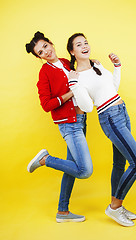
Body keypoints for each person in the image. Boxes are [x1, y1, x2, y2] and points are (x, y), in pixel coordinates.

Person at [66, 33, 136, 227]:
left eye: (85, 42)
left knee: (120, 164)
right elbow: (86, 107)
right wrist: (74, 84)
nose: (84, 46)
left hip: (121, 111)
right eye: (79, 44)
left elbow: (113, 87)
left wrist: (117, 67)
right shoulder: (77, 76)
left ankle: (117, 206)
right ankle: (114, 207)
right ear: (72, 52)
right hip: (110, 117)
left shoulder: (97, 65)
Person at [25, 31, 94, 223]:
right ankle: (45, 159)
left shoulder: (65, 62)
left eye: (45, 46)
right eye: (40, 52)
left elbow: (82, 76)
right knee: (84, 170)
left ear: (50, 43)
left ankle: (62, 212)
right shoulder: (45, 72)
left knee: (72, 168)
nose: (45, 52)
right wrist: (69, 94)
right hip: (69, 124)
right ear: (39, 57)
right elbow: (47, 105)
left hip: (81, 120)